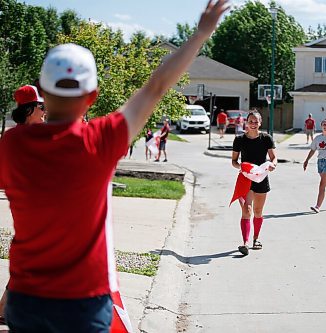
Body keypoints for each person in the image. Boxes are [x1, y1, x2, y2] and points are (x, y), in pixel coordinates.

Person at [0, 1, 228, 331]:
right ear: (91, 96)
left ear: (42, 95)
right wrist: (202, 32)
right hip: (84, 303)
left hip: (26, 299)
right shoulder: (101, 139)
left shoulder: (12, 145)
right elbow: (157, 85)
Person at [0, 84, 46, 325]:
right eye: (41, 107)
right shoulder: (15, 138)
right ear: (29, 110)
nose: (45, 111)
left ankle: (5, 308)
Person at [232, 111, 277, 256]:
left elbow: (273, 157)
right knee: (247, 210)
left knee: (258, 211)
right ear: (246, 122)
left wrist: (272, 165)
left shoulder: (266, 138)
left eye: (256, 121)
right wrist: (241, 167)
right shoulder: (239, 140)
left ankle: (256, 239)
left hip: (261, 178)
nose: (253, 124)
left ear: (260, 122)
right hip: (245, 178)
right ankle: (244, 243)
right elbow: (234, 161)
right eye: (250, 121)